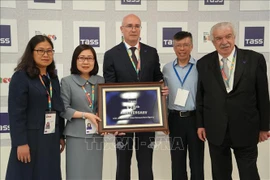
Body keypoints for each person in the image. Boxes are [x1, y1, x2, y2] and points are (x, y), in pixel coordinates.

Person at [196, 22, 270, 180]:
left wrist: (264, 127)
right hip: (216, 130)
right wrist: (200, 124)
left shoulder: (254, 59)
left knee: (249, 174)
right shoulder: (203, 64)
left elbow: (263, 95)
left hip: (247, 128)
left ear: (234, 37)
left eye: (228, 36)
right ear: (212, 41)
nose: (224, 42)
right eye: (219, 38)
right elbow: (201, 96)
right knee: (220, 174)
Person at [103, 14, 168, 180]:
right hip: (122, 120)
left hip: (147, 119)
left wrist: (162, 89)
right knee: (123, 164)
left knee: (146, 164)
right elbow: (109, 89)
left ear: (140, 29)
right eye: (129, 26)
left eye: (137, 26)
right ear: (122, 29)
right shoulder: (111, 54)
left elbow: (157, 78)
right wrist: (112, 123)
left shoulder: (151, 52)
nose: (133, 29)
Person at [6, 35, 65, 180]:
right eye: (41, 50)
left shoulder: (53, 78)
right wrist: (20, 143)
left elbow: (58, 108)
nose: (46, 55)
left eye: (49, 51)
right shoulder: (21, 77)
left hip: (51, 138)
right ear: (31, 52)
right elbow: (16, 113)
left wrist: (61, 135)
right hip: (30, 140)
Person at [163, 31, 204, 180]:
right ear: (173, 47)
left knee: (197, 162)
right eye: (178, 45)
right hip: (175, 120)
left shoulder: (200, 67)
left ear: (191, 46)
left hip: (195, 120)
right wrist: (165, 121)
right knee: (177, 162)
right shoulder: (166, 69)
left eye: (186, 45)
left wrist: (203, 123)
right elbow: (163, 97)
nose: (182, 49)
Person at [60, 44, 104, 180]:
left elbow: (106, 106)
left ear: (95, 61)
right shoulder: (67, 81)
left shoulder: (100, 80)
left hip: (96, 135)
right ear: (75, 60)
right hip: (76, 136)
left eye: (90, 58)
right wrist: (86, 115)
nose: (86, 62)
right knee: (76, 173)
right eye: (81, 58)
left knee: (94, 173)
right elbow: (64, 109)